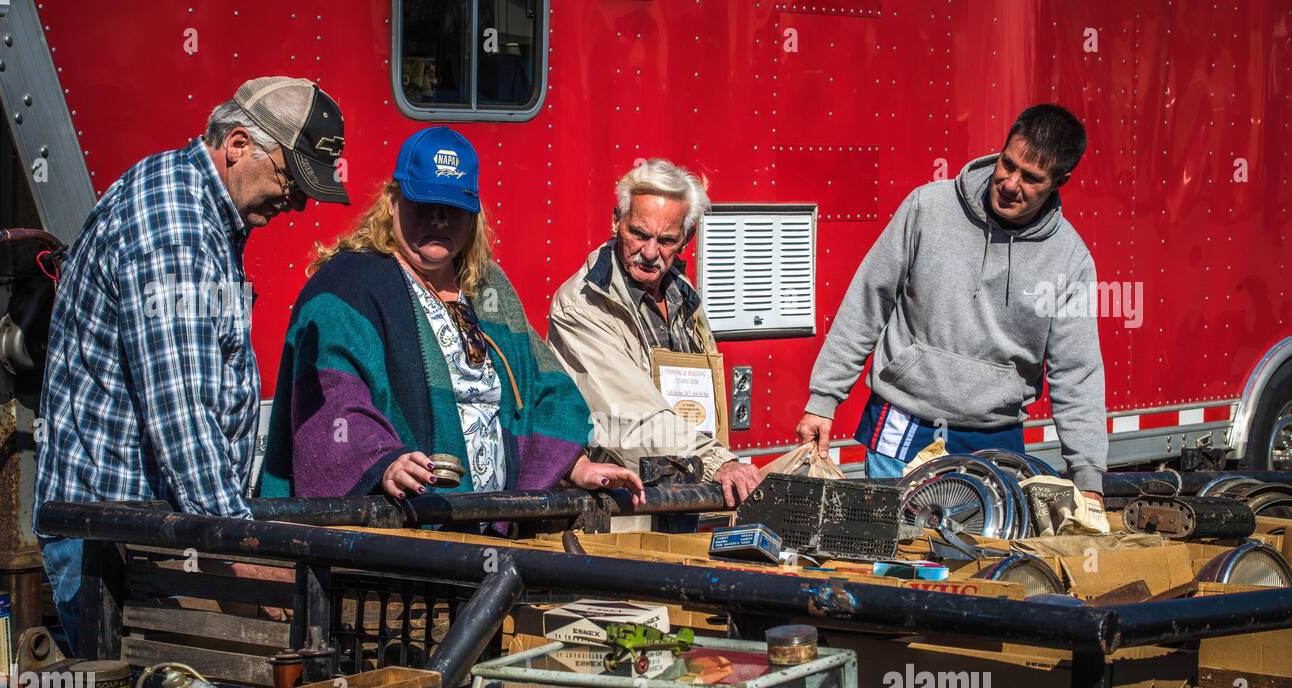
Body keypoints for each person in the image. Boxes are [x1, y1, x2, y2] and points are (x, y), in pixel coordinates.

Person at [33, 76, 350, 652]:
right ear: (236, 145)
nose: (299, 202)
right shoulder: (174, 225)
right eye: (290, 178)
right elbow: (182, 416)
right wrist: (246, 557)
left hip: (148, 530)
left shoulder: (199, 209)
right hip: (119, 539)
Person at [260, 127, 644, 512]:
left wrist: (573, 464)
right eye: (424, 204)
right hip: (399, 539)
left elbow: (545, 386)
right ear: (392, 201)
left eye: (454, 208)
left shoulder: (488, 286)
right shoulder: (348, 285)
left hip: (494, 525)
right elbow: (331, 404)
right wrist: (382, 461)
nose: (440, 220)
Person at [796, 104, 1107, 503]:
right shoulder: (928, 207)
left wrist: (1087, 475)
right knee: (897, 562)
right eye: (1007, 164)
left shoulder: (1070, 258)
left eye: (1030, 178)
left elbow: (1076, 372)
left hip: (997, 442)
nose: (1010, 183)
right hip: (902, 428)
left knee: (986, 564)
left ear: (1061, 181)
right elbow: (867, 303)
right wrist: (823, 400)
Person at [546, 159, 763, 510]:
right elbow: (629, 418)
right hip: (620, 504)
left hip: (684, 491)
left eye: (666, 240)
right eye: (639, 234)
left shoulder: (682, 292)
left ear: (686, 238)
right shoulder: (581, 304)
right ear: (616, 220)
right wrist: (715, 462)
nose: (650, 253)